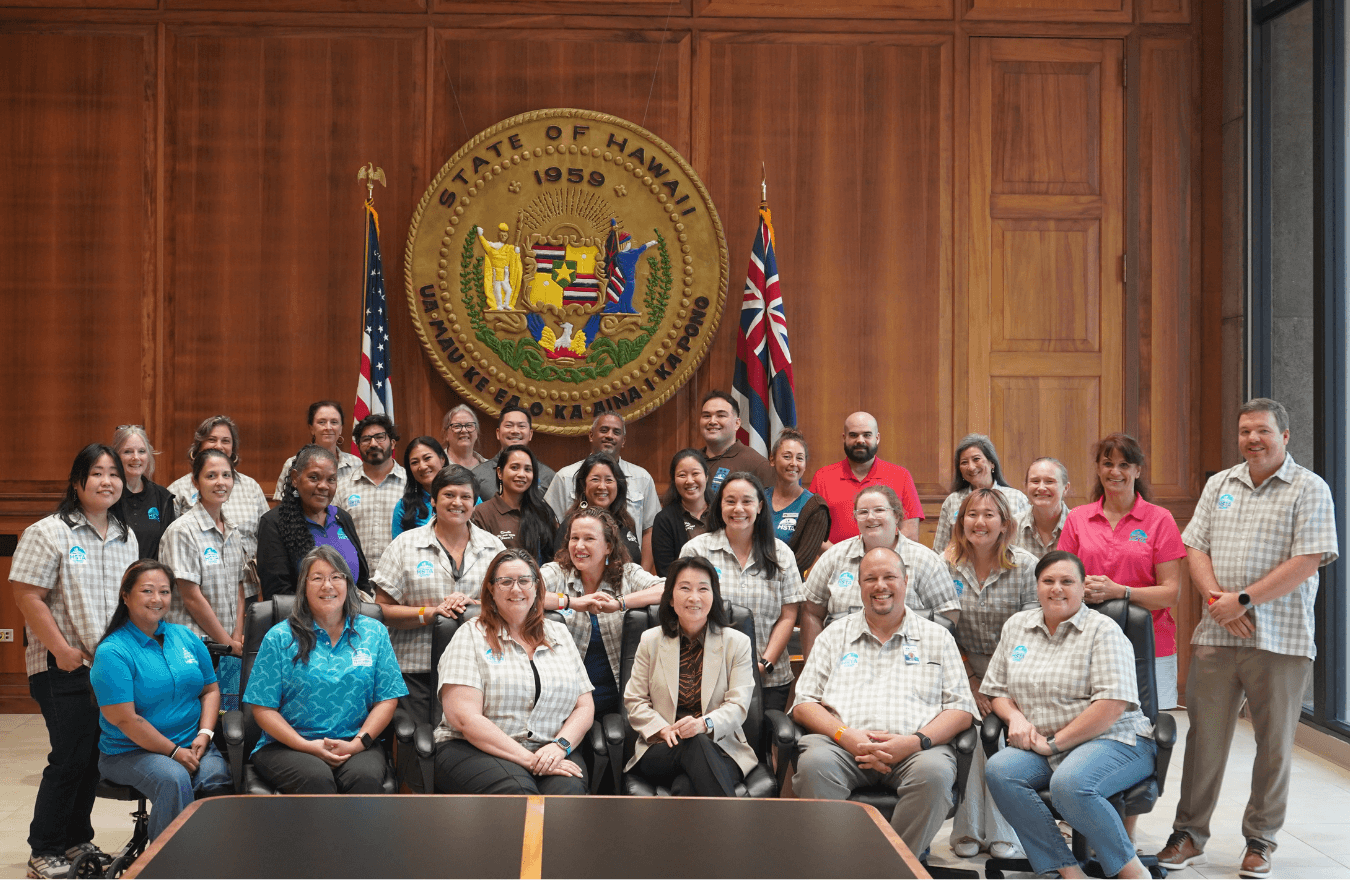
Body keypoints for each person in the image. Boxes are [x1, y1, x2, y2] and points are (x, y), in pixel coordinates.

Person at [1156, 399, 1338, 879]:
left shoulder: (1310, 488)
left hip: (1281, 639)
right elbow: (1194, 544)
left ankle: (1261, 840)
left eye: (1262, 430)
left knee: (1273, 744)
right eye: (1244, 431)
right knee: (1204, 740)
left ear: (1286, 435)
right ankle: (1188, 834)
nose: (1252, 439)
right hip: (1218, 633)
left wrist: (1244, 600)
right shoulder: (1221, 484)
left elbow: (1307, 560)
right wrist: (1220, 601)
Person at [791, 546, 977, 858]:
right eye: (870, 578)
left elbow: (961, 709)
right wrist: (846, 736)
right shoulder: (832, 636)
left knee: (935, 775)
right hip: (842, 746)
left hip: (916, 750)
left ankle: (890, 868)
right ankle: (838, 866)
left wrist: (914, 742)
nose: (880, 586)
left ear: (906, 580)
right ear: (859, 585)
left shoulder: (938, 637)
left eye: (889, 576)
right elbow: (804, 702)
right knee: (814, 766)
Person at [983, 550, 1156, 880]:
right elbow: (997, 689)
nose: (1056, 589)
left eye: (1067, 581)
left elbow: (1111, 706)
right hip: (1044, 742)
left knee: (1069, 783)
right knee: (1000, 770)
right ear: (1036, 586)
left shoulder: (1102, 630)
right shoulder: (1017, 626)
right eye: (1048, 581)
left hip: (1115, 738)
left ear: (1082, 588)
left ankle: (1131, 871)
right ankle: (1066, 869)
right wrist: (1015, 718)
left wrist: (1054, 744)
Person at [9, 444, 140, 879]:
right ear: (77, 481)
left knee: (91, 754)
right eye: (97, 473)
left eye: (114, 474)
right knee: (68, 756)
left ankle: (75, 837)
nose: (107, 481)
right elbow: (27, 594)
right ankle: (43, 848)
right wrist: (63, 651)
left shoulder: (126, 534)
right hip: (60, 666)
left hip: (108, 668)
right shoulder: (49, 531)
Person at [243, 546, 407, 793]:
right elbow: (262, 707)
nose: (327, 586)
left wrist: (357, 744)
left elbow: (387, 699)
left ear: (348, 584)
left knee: (364, 779)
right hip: (288, 745)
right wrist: (306, 746)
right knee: (316, 780)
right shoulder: (279, 637)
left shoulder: (374, 633)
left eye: (336, 577)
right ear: (303, 587)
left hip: (356, 741)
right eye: (317, 578)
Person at [90, 560, 231, 843]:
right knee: (173, 778)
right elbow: (126, 720)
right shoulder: (113, 651)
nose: (157, 599)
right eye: (147, 591)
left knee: (218, 776)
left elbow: (210, 690)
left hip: (193, 744)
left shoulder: (185, 637)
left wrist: (205, 733)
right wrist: (174, 751)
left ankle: (213, 857)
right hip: (129, 752)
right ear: (126, 596)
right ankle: (165, 867)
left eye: (164, 592)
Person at [433, 549, 595, 795]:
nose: (516, 590)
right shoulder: (471, 635)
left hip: (549, 748)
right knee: (517, 792)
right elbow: (465, 718)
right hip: (473, 749)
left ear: (537, 587)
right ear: (490, 589)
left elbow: (584, 706)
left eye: (524, 581)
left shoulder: (559, 634)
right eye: (505, 582)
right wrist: (530, 761)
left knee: (567, 795)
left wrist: (560, 747)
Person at [942, 488, 1039, 860]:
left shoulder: (1026, 566)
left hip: (1017, 670)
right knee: (971, 731)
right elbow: (941, 632)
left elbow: (1031, 633)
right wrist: (970, 680)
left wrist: (993, 685)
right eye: (971, 514)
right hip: (959, 669)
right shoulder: (945, 564)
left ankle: (1000, 830)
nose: (979, 522)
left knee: (994, 734)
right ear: (960, 522)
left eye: (988, 515)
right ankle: (967, 828)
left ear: (1005, 525)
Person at [1059, 434, 1184, 712]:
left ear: (1138, 471)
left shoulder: (1160, 519)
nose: (1115, 472)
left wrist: (1121, 592)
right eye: (1107, 463)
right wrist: (1078, 588)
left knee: (1150, 726)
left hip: (1151, 643)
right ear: (1098, 468)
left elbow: (1170, 593)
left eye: (1124, 465)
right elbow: (1060, 582)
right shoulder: (1077, 518)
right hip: (1086, 642)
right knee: (1088, 722)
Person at [374, 465, 506, 722]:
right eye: (449, 495)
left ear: (474, 502)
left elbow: (510, 607)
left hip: (480, 670)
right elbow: (382, 611)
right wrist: (431, 613)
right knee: (419, 748)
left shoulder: (494, 547)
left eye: (465, 497)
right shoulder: (404, 545)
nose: (458, 502)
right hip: (415, 669)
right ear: (434, 500)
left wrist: (474, 606)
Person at [623, 556, 757, 797]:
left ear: (714, 596)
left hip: (722, 747)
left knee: (685, 786)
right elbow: (635, 700)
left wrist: (703, 725)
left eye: (703, 589)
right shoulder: (651, 641)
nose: (694, 597)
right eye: (685, 588)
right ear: (671, 598)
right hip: (663, 746)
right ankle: (736, 828)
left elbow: (738, 705)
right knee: (693, 744)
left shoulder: (737, 643)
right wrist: (663, 729)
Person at [680, 473, 803, 713]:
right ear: (719, 507)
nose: (738, 509)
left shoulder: (781, 554)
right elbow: (684, 611)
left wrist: (764, 664)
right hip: (707, 675)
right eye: (730, 501)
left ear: (759, 507)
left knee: (761, 748)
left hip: (769, 678)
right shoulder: (697, 550)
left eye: (747, 501)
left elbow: (788, 616)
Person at [800, 486, 958, 659]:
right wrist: (813, 664)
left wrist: (928, 663)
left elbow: (948, 615)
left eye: (879, 510)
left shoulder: (926, 561)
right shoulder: (833, 557)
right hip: (844, 664)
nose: (871, 517)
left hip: (909, 664)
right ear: (855, 518)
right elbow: (810, 610)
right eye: (863, 512)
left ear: (897, 516)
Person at [158, 448, 258, 711]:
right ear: (195, 481)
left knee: (227, 720)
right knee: (193, 719)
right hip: (192, 644)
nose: (220, 482)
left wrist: (235, 636)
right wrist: (227, 641)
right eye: (211, 475)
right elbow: (191, 596)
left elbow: (239, 585)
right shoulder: (182, 530)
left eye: (226, 475)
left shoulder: (233, 531)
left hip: (227, 646)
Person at [541, 508, 664, 719]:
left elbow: (670, 589)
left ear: (608, 546)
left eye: (589, 538)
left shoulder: (628, 573)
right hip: (564, 702)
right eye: (574, 538)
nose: (579, 546)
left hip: (618, 699)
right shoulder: (557, 571)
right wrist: (572, 602)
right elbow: (524, 592)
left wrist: (620, 603)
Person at [255, 445, 371, 600]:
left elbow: (363, 581)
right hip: (302, 622)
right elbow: (278, 595)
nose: (323, 486)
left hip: (353, 619)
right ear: (295, 478)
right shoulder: (273, 523)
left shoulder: (342, 517)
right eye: (314, 478)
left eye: (331, 479)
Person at [809, 411, 924, 544]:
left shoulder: (901, 476)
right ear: (844, 438)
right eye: (853, 435)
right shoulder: (822, 477)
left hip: (887, 562)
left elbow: (910, 533)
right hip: (836, 562)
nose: (860, 440)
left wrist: (879, 559)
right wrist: (840, 559)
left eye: (867, 435)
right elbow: (813, 531)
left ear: (877, 438)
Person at [545, 413, 660, 540]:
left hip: (629, 555)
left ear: (623, 441)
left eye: (616, 432)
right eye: (604, 430)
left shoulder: (643, 478)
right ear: (591, 435)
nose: (609, 436)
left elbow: (649, 530)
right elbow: (553, 526)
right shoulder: (564, 477)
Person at [166, 415, 269, 539]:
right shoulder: (178, 490)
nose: (219, 446)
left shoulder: (251, 487)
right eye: (212, 439)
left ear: (233, 448)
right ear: (199, 446)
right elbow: (169, 537)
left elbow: (267, 536)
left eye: (225, 441)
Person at [932, 433, 1030, 554]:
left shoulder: (1016, 498)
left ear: (992, 463)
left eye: (976, 459)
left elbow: (1026, 544)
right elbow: (940, 549)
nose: (971, 467)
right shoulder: (953, 501)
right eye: (964, 462)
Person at [335, 414, 406, 569]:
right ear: (358, 446)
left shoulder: (410, 485)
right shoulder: (341, 487)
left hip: (400, 578)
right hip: (354, 580)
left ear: (392, 443)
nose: (373, 443)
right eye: (366, 439)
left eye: (380, 437)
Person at [561, 452, 651, 571]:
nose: (602, 486)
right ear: (583, 484)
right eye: (595, 479)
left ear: (618, 485)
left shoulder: (626, 522)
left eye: (609, 480)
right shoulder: (571, 525)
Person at [472, 445, 558, 565]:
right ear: (499, 473)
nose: (521, 474)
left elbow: (553, 558)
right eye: (514, 467)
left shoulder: (543, 512)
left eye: (528, 469)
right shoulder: (482, 513)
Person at [764, 428, 831, 576]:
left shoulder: (814, 506)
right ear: (772, 459)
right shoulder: (758, 498)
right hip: (749, 585)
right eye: (787, 456)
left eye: (800, 458)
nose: (793, 463)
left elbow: (802, 561)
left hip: (788, 589)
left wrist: (764, 575)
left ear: (805, 464)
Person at [272, 401, 362, 501]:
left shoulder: (356, 464)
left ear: (341, 429)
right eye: (321, 422)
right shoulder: (294, 463)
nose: (328, 427)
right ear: (311, 429)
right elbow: (281, 505)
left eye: (334, 422)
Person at [111, 425, 177, 558]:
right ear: (116, 456)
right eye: (128, 452)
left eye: (141, 451)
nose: (136, 457)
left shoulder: (163, 498)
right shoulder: (107, 494)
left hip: (151, 576)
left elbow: (169, 550)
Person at [697, 390, 776, 493]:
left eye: (721, 415)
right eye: (706, 416)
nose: (712, 421)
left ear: (737, 423)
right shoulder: (691, 461)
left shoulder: (757, 465)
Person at [471, 405, 556, 497]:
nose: (515, 431)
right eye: (509, 425)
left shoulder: (548, 476)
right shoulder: (478, 475)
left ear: (530, 434)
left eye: (521, 426)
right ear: (498, 433)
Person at [651, 449, 711, 577]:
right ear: (674, 480)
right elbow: (665, 572)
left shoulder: (722, 512)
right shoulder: (664, 520)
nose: (689, 481)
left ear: (706, 476)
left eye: (695, 473)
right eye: (682, 475)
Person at [1014, 457, 1072, 559]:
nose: (1041, 488)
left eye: (1049, 481)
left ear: (1065, 488)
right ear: (1026, 486)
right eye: (1035, 481)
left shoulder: (1080, 526)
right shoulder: (1011, 527)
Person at [392, 436, 448, 539]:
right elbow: (397, 551)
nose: (422, 466)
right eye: (414, 462)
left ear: (442, 459)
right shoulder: (404, 506)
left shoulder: (465, 496)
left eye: (427, 458)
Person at [441, 404, 488, 471]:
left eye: (469, 425)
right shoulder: (438, 465)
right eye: (457, 426)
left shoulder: (489, 467)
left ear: (476, 432)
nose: (464, 430)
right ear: (446, 434)